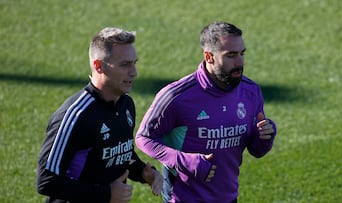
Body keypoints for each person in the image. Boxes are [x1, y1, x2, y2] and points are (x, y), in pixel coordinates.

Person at [135, 21, 277, 203]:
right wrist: (184, 161)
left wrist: (265, 136)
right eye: (231, 55)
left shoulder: (251, 91)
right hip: (182, 199)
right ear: (209, 57)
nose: (240, 62)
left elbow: (257, 150)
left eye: (242, 54)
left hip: (228, 198)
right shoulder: (176, 96)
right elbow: (144, 138)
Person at [37, 27, 163, 203]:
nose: (134, 72)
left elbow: (118, 152)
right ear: (99, 66)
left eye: (134, 63)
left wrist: (142, 172)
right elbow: (46, 181)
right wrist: (106, 194)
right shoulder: (75, 116)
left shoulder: (126, 104)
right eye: (125, 64)